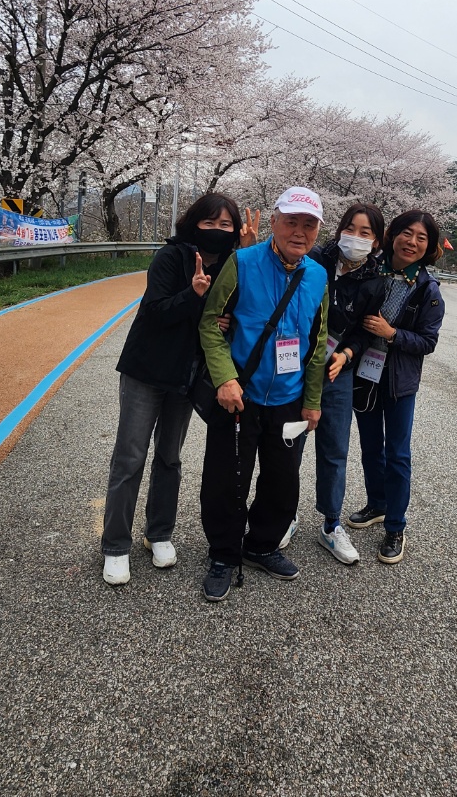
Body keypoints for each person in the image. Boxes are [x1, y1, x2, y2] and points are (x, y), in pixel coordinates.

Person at [100, 193, 259, 585]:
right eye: (210, 222)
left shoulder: (235, 264)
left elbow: (240, 315)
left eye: (226, 224)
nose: (217, 230)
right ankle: (116, 545)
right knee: (130, 457)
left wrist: (246, 254)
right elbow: (156, 311)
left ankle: (159, 533)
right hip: (147, 370)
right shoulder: (171, 257)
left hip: (185, 377)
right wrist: (195, 296)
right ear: (193, 223)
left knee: (169, 457)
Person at [197, 186, 330, 601]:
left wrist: (313, 401)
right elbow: (211, 323)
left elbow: (317, 341)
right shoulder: (242, 262)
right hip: (240, 393)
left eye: (309, 225)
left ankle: (261, 545)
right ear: (273, 222)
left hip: (289, 398)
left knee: (282, 481)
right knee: (227, 478)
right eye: (291, 221)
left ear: (318, 231)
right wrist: (224, 378)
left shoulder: (318, 275)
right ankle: (223, 554)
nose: (299, 232)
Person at [345, 209, 446, 565]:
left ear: (429, 246)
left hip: (399, 380)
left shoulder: (427, 290)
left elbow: (428, 341)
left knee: (398, 453)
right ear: (393, 235)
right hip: (365, 373)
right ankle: (377, 503)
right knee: (371, 446)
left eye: (422, 238)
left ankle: (395, 525)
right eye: (407, 233)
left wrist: (392, 334)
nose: (412, 242)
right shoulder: (369, 268)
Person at [293, 202, 387, 565]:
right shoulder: (314, 259)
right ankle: (284, 513)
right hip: (297, 368)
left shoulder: (376, 281)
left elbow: (365, 332)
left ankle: (331, 524)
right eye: (351, 228)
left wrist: (346, 355)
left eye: (366, 233)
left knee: (334, 450)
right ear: (339, 230)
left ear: (376, 241)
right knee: (290, 444)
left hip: (338, 372)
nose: (356, 237)